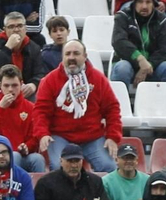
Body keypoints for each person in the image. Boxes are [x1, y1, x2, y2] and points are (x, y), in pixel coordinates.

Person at [33, 40, 122, 172]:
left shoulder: (98, 78)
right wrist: (43, 134)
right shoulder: (49, 80)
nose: (71, 58)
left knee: (110, 167)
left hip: (92, 137)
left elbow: (112, 109)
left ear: (85, 56)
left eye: (76, 53)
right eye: (67, 54)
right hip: (60, 136)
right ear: (62, 57)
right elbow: (41, 111)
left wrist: (112, 137)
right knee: (58, 168)